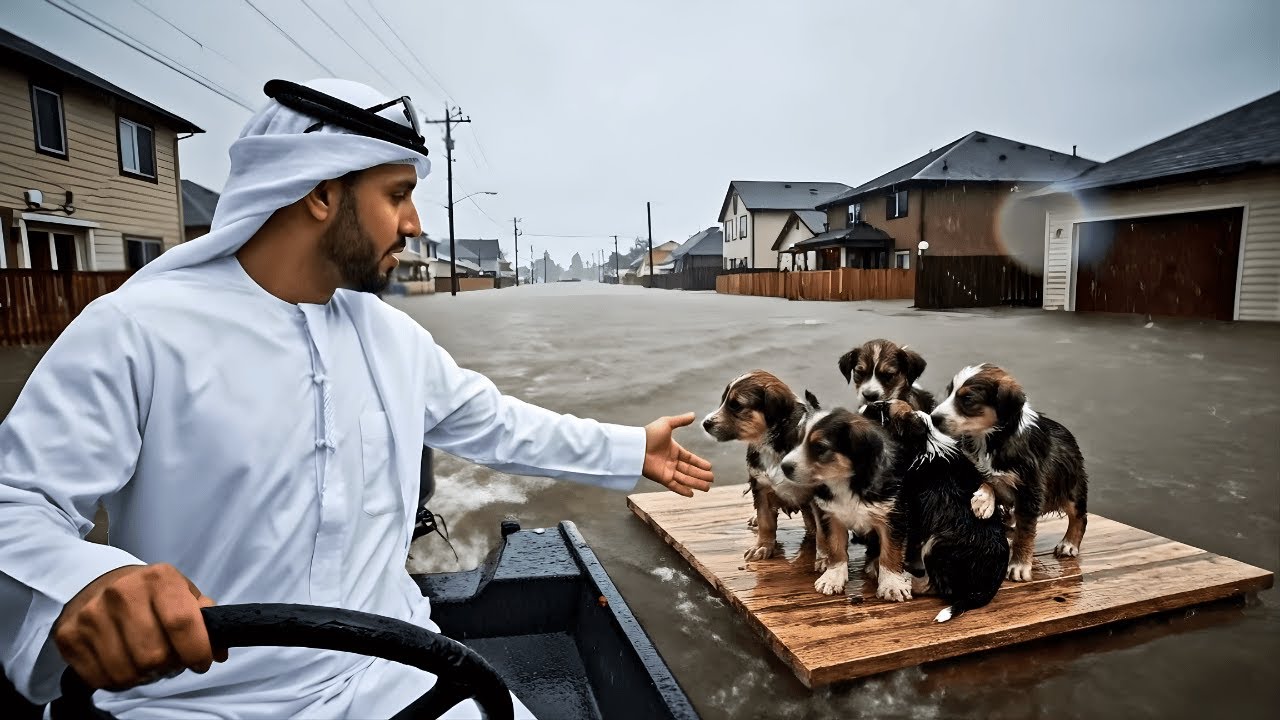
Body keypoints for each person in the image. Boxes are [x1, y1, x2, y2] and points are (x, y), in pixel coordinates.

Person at [0, 78, 714, 719]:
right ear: (322, 192)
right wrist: (95, 581)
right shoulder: (135, 330)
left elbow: (499, 425)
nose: (415, 224)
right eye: (397, 195)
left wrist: (631, 448)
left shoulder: (391, 338)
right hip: (189, 701)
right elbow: (17, 505)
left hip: (390, 671)